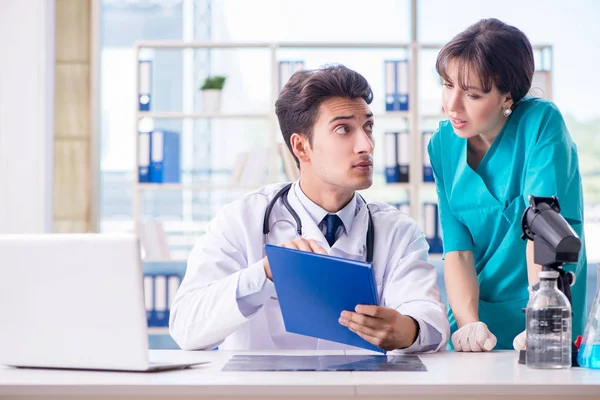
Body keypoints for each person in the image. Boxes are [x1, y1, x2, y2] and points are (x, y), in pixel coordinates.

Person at [170, 65, 449, 352]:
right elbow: (186, 327)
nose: (366, 145)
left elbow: (428, 314)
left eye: (368, 127)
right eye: (343, 129)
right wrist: (265, 274)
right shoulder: (241, 220)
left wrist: (409, 330)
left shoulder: (397, 230)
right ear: (301, 147)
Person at [427, 18, 587, 352]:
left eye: (472, 94)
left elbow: (543, 226)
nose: (452, 105)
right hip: (474, 309)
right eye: (447, 85)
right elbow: (456, 250)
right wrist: (469, 323)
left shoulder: (541, 124)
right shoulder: (442, 144)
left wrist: (542, 318)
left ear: (507, 96)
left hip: (543, 299)